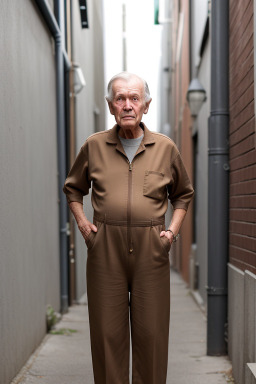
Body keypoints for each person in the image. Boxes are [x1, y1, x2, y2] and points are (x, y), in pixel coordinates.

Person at [63, 72, 194, 384]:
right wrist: (83, 224)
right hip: (105, 248)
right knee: (107, 335)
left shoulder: (166, 148)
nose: (127, 105)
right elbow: (73, 188)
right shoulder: (93, 147)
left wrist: (171, 234)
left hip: (152, 249)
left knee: (152, 335)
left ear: (145, 105)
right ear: (110, 106)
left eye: (134, 98)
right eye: (120, 98)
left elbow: (183, 195)